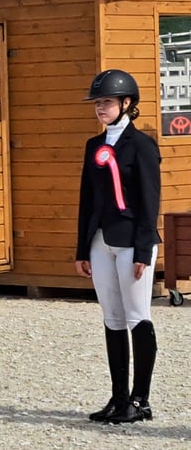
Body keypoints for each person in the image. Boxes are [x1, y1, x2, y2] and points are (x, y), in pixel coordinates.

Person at [75, 69, 161, 424]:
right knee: (112, 318)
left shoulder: (142, 146)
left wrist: (143, 250)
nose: (100, 108)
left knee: (137, 315)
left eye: (107, 102)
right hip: (100, 241)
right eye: (97, 102)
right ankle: (118, 396)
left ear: (126, 103)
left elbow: (149, 201)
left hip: (131, 242)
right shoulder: (93, 146)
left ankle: (140, 400)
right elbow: (86, 200)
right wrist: (82, 249)